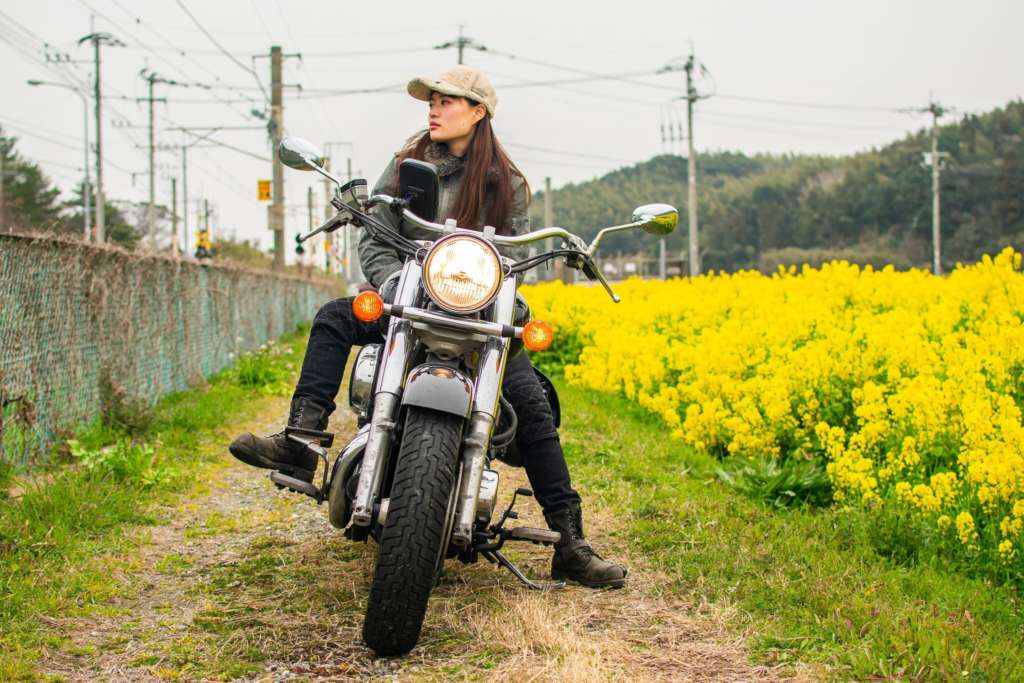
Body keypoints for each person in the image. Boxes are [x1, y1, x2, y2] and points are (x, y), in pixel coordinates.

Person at [229, 66, 626, 589]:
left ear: (478, 111)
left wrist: (515, 298)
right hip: (409, 301)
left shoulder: (508, 184)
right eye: (431, 101)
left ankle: (571, 543)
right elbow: (375, 232)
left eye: (447, 101)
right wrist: (391, 280)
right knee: (332, 318)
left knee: (532, 408)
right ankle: (302, 443)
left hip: (479, 319)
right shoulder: (406, 166)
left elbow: (515, 255)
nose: (434, 109)